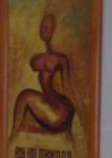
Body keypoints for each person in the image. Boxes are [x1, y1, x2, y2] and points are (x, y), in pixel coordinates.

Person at [9, 13, 78, 144]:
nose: (44, 29)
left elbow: (67, 88)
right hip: (53, 107)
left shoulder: (60, 58)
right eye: (43, 26)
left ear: (54, 31)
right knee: (26, 107)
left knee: (25, 96)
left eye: (48, 27)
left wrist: (75, 121)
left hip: (60, 111)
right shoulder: (38, 53)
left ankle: (12, 137)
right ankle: (14, 136)